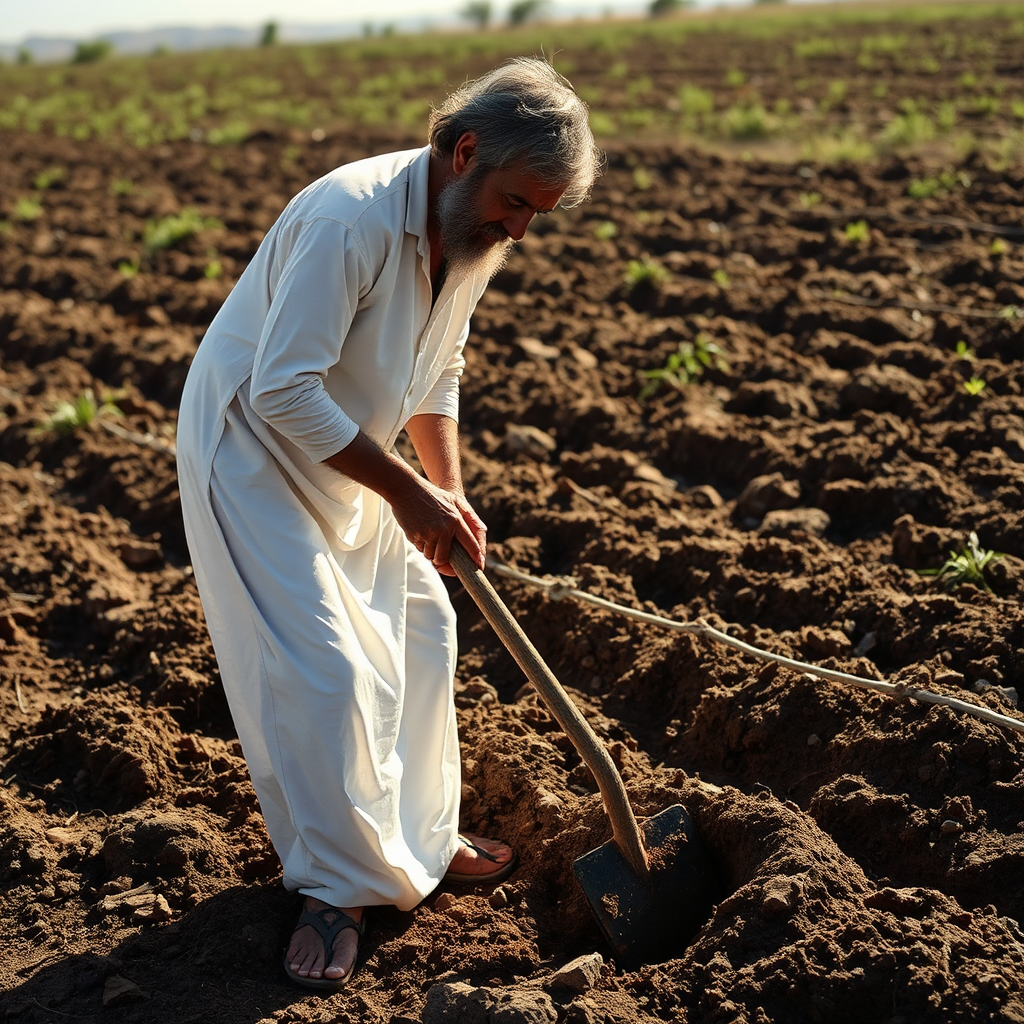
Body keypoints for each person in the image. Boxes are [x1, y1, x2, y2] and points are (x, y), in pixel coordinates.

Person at [175, 57, 601, 990]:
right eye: (519, 203)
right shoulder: (351, 218)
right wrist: (409, 495)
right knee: (323, 671)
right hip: (252, 451)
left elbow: (433, 374)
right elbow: (283, 388)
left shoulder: (472, 234)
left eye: (541, 214)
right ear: (465, 150)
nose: (522, 229)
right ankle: (333, 887)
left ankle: (417, 841)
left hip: (355, 449)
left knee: (424, 627)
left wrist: (447, 490)